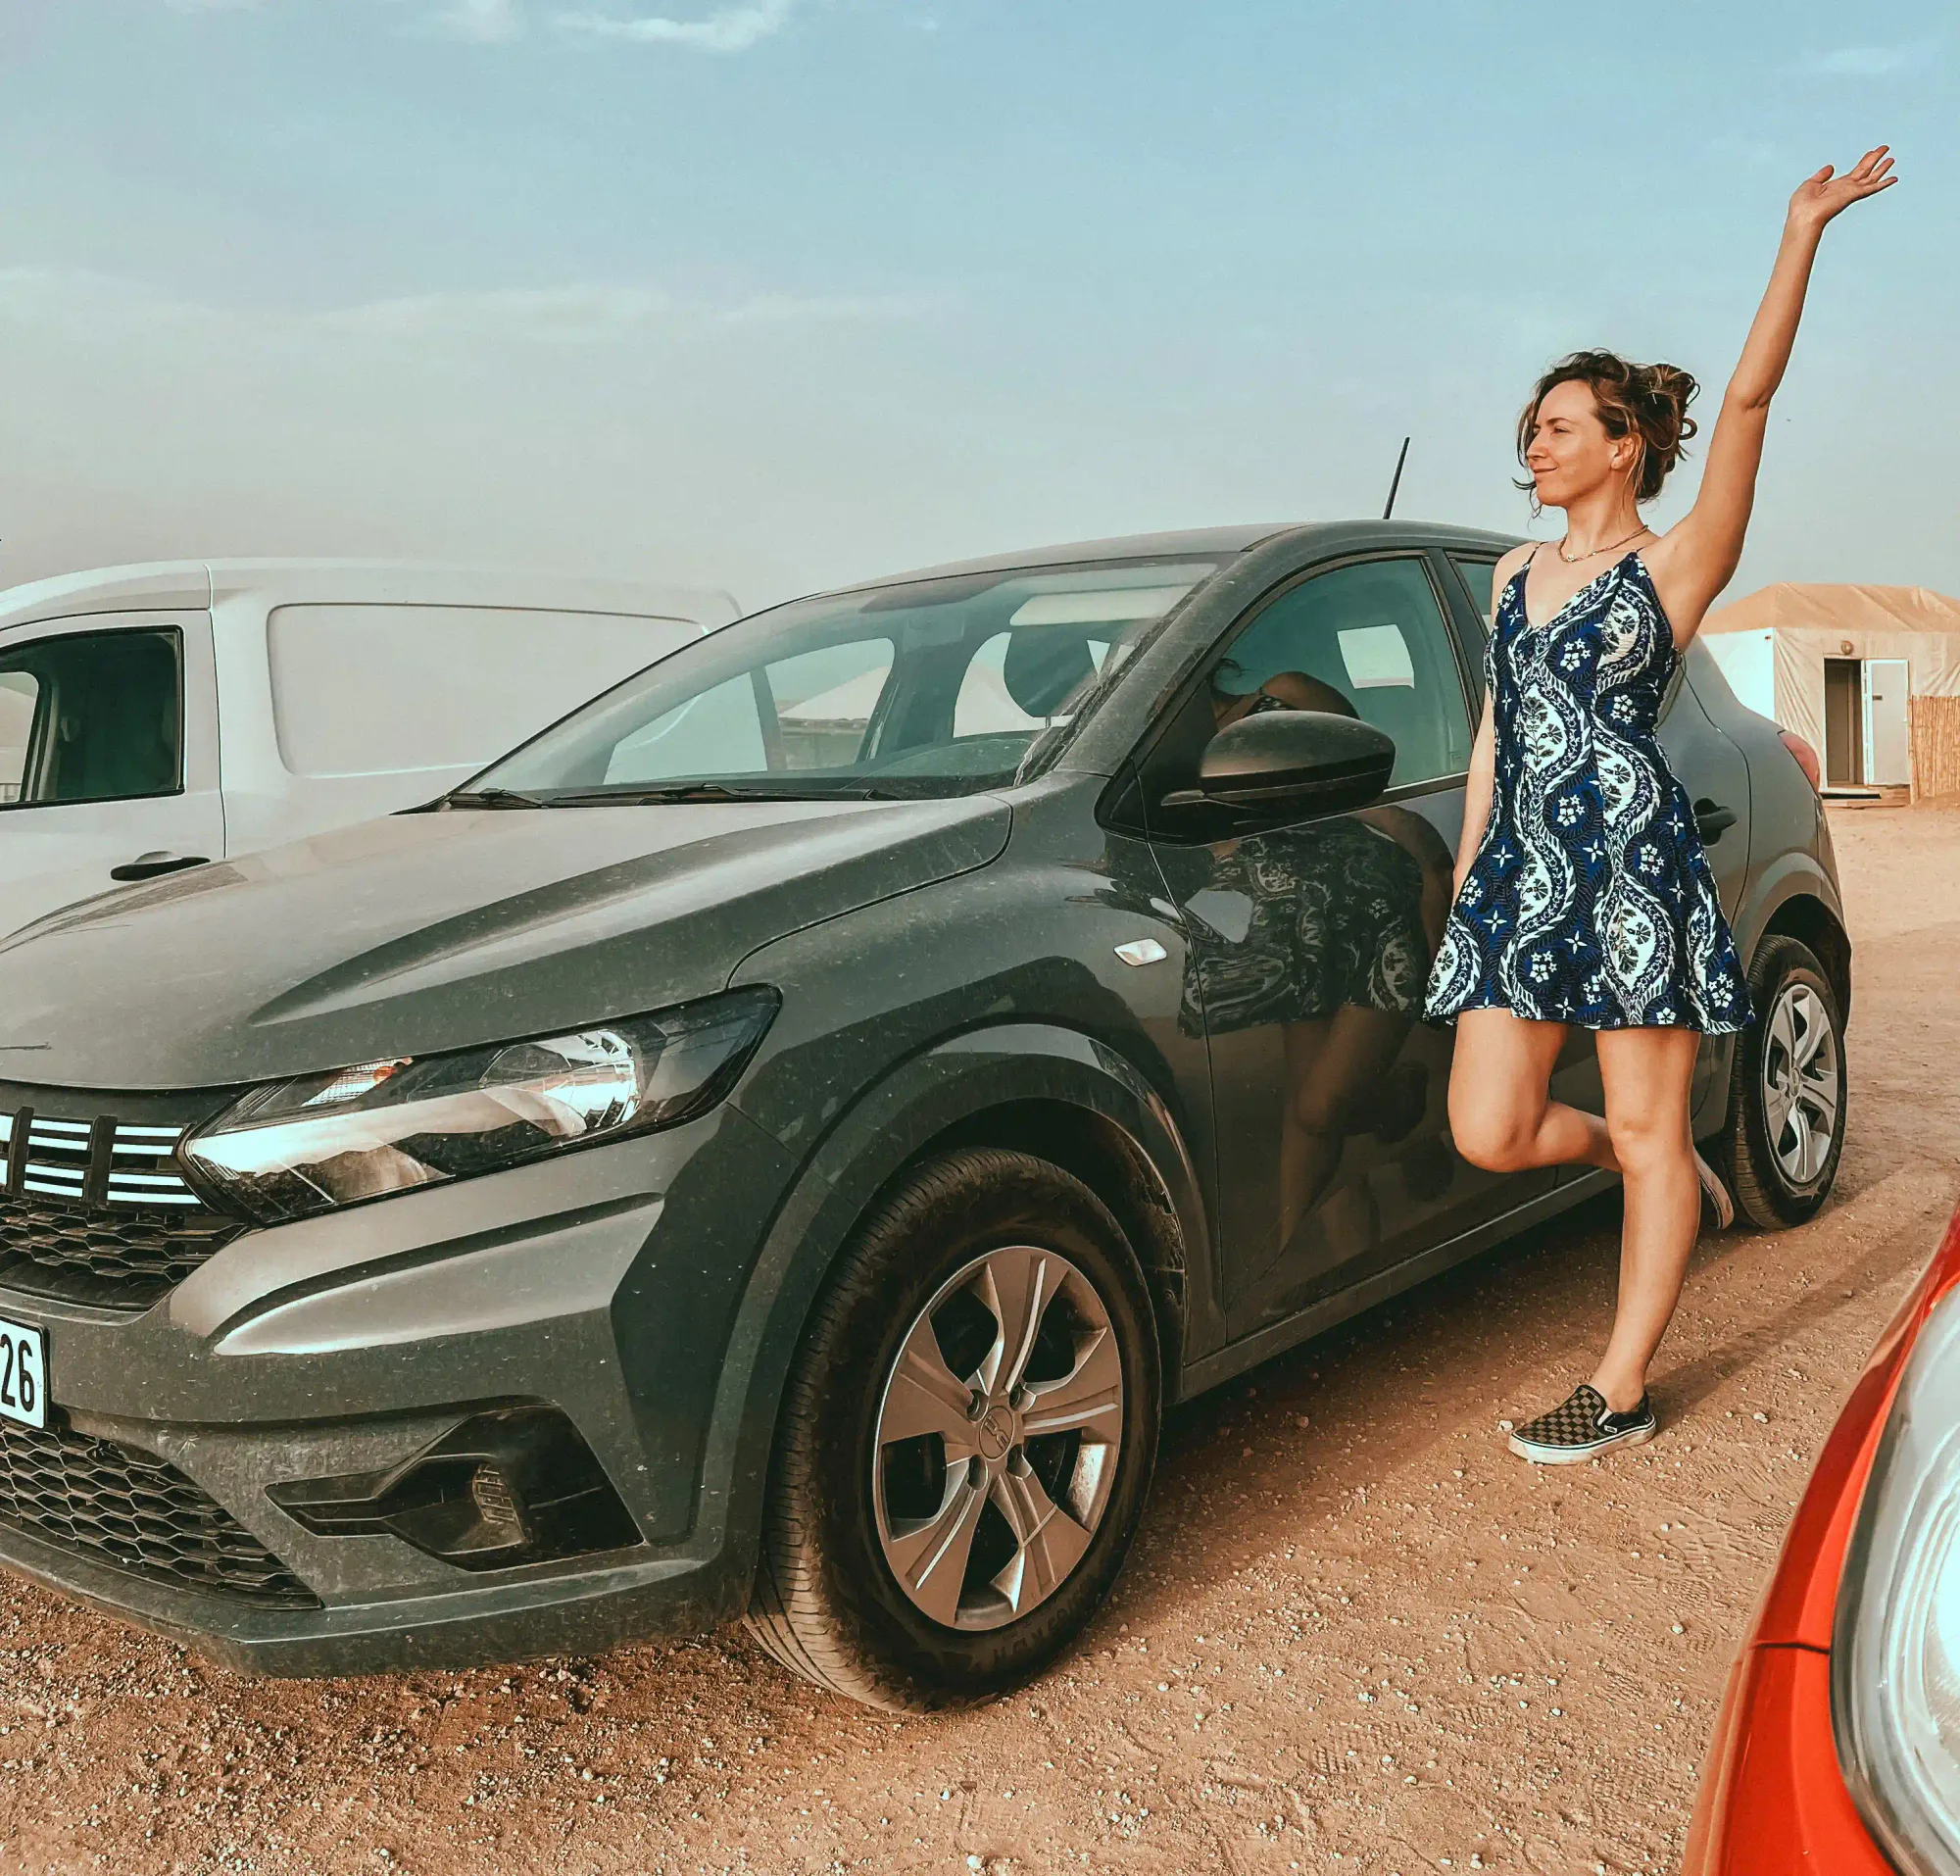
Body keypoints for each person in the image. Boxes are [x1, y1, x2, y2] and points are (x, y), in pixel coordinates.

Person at [1423, 148, 1897, 1464]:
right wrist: (1473, 867)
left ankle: (1622, 1381)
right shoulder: (1514, 572)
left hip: (1632, 870)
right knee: (1491, 1124)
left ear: (1624, 446)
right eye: (1533, 423)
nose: (1537, 438)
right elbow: (1490, 736)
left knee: (1645, 1116)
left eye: (1563, 422)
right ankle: (1665, 1175)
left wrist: (1800, 232)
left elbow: (1746, 399)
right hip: (1523, 872)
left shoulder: (1680, 560)